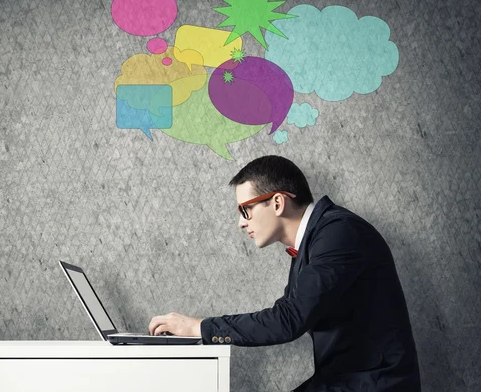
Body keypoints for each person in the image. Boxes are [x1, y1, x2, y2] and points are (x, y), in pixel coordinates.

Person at [148, 155, 421, 391]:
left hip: (373, 385)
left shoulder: (339, 233)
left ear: (277, 202)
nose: (241, 223)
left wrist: (199, 327)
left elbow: (288, 320)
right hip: (342, 381)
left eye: (245, 210)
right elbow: (286, 313)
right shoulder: (315, 239)